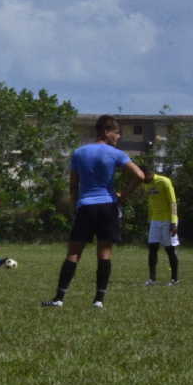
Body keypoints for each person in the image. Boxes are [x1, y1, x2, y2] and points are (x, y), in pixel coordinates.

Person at [42, 115, 145, 309]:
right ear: (106, 132)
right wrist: (123, 195)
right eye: (117, 133)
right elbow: (140, 175)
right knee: (104, 253)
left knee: (74, 253)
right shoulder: (116, 154)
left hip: (86, 206)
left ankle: (59, 298)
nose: (119, 137)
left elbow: (73, 184)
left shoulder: (79, 153)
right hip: (107, 206)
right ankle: (98, 300)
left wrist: (74, 205)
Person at [144, 164, 180, 286]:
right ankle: (152, 279)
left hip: (168, 220)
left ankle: (174, 280)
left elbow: (173, 202)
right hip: (155, 220)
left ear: (149, 173)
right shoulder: (145, 184)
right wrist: (149, 220)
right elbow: (150, 202)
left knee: (169, 249)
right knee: (152, 248)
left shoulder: (164, 181)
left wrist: (174, 222)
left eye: (144, 175)